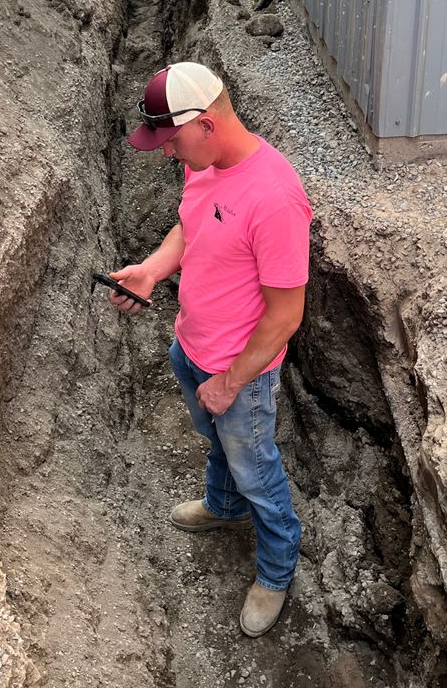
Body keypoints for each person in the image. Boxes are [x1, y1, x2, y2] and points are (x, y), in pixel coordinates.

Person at [109, 61, 311, 637]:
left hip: (239, 376)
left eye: (171, 142)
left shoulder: (274, 198)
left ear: (205, 123)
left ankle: (275, 571)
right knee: (214, 442)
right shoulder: (208, 164)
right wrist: (150, 271)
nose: (168, 155)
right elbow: (189, 227)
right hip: (191, 348)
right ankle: (223, 508)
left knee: (258, 473)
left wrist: (228, 384)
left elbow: (285, 316)